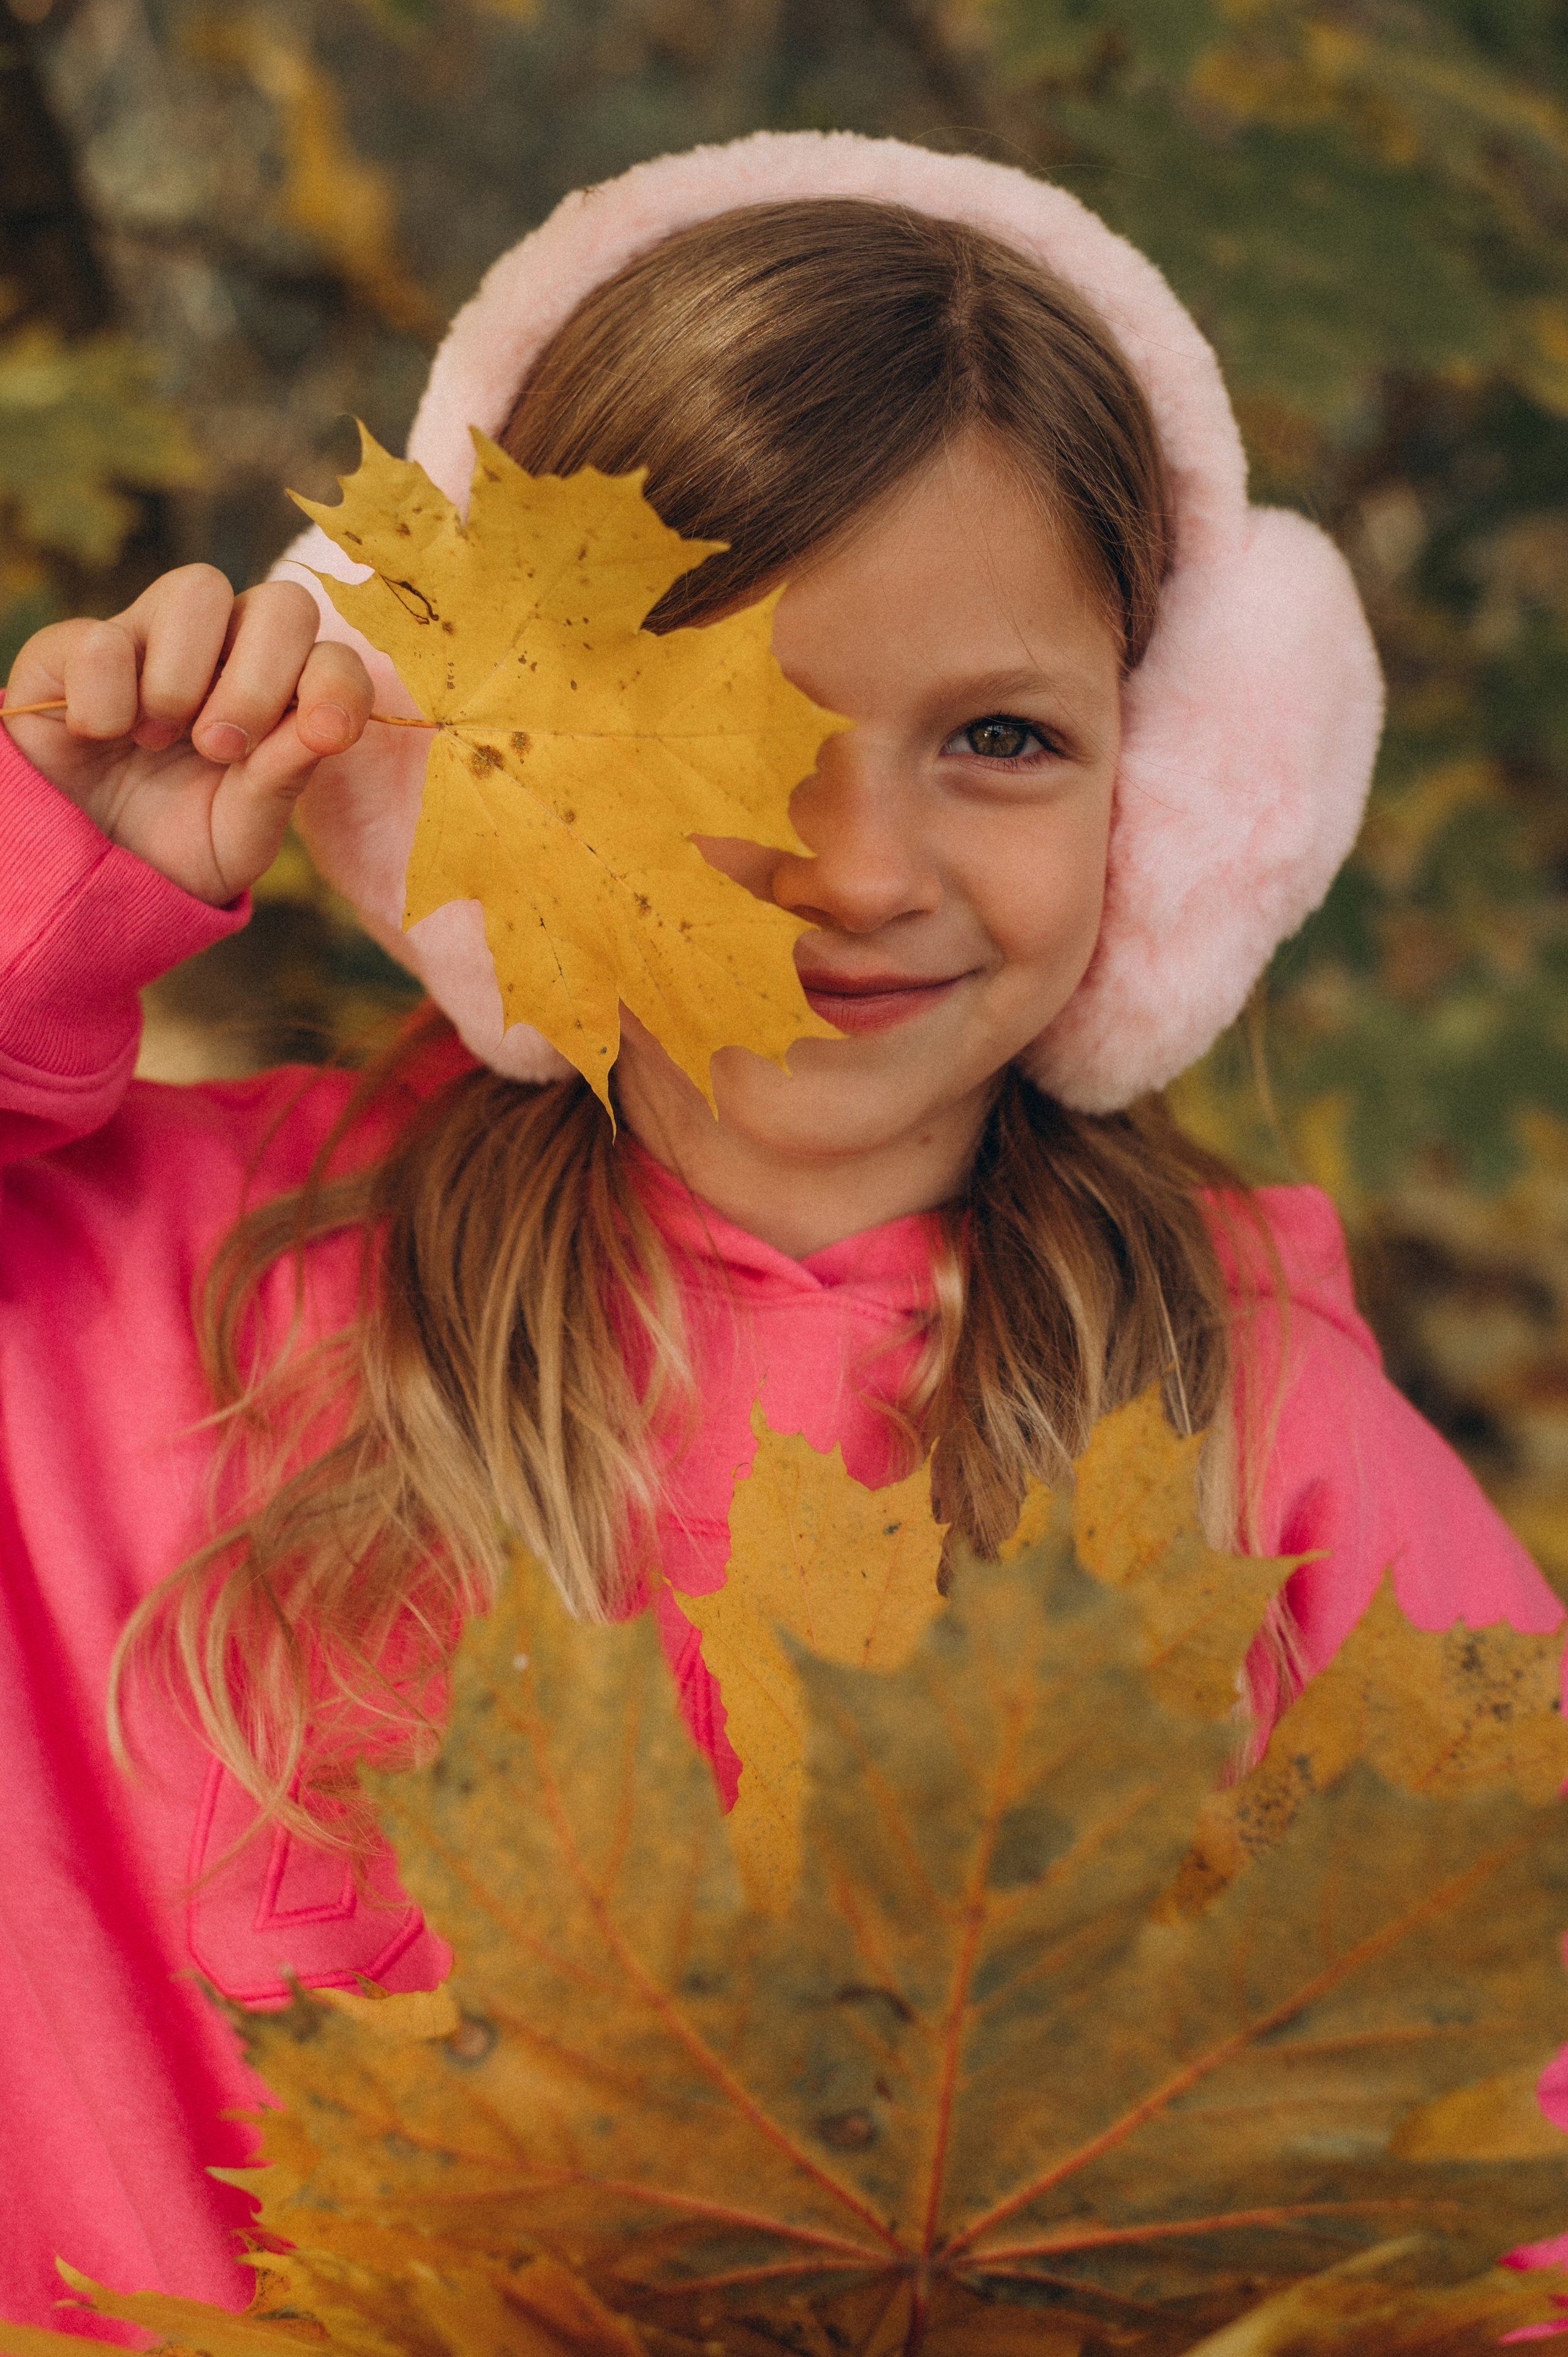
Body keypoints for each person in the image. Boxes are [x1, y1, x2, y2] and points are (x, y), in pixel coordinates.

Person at [1, 132, 1561, 2326]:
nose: (856, 865)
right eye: (743, 729)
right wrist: (51, 884)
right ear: (494, 746)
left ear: (1193, 791)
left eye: (1002, 737)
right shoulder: (176, 1278)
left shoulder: (1250, 1425)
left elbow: (1505, 2153)